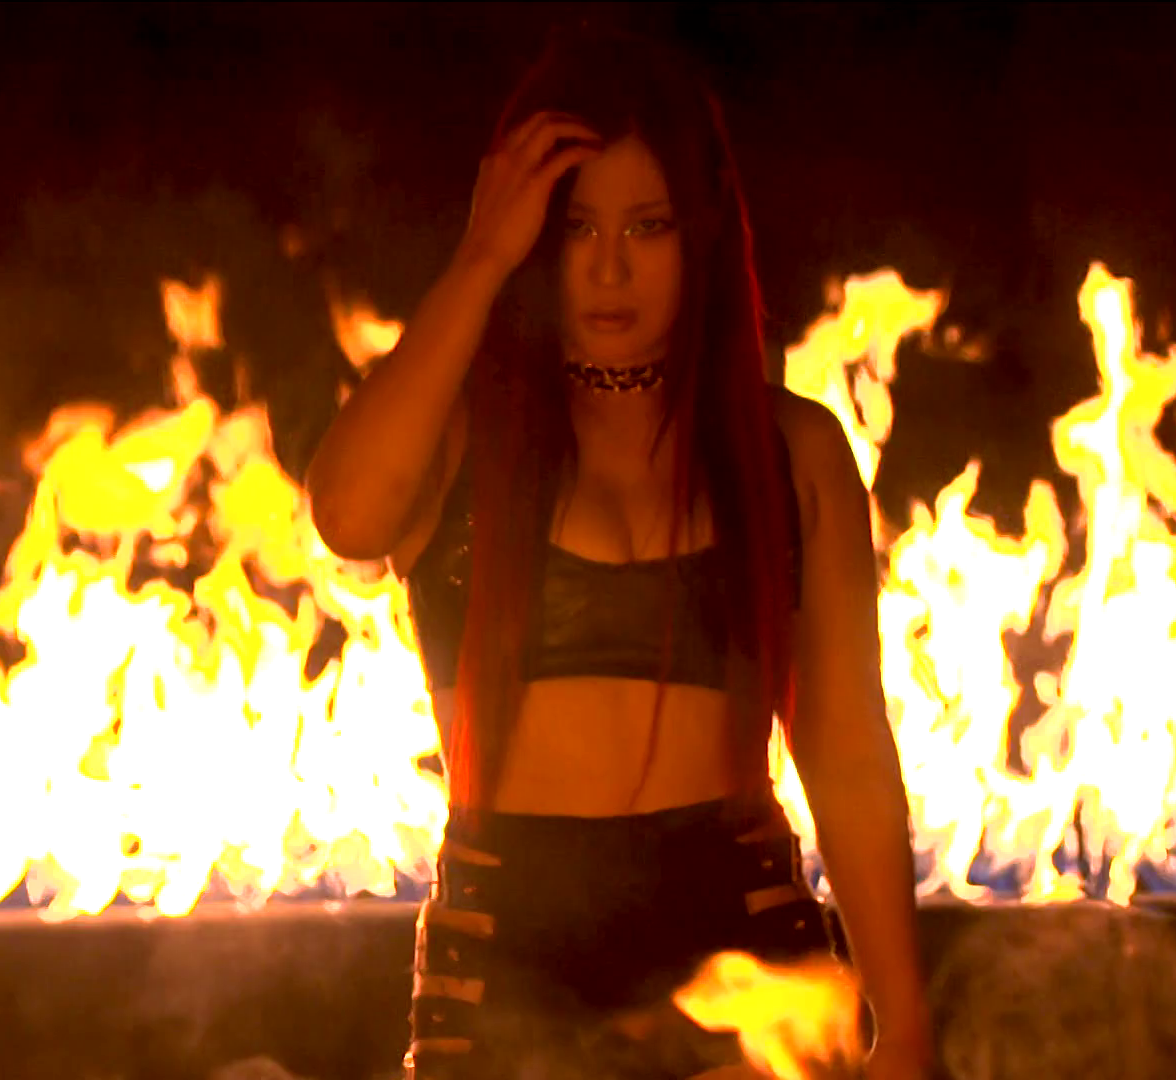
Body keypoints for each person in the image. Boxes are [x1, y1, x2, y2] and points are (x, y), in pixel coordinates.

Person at [307, 26, 929, 1080]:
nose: (608, 268)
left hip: (747, 965)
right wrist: (480, 257)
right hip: (504, 962)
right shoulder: (461, 439)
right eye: (576, 227)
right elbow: (348, 516)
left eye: (648, 226)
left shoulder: (792, 453)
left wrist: (904, 1028)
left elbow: (848, 752)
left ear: (700, 234)